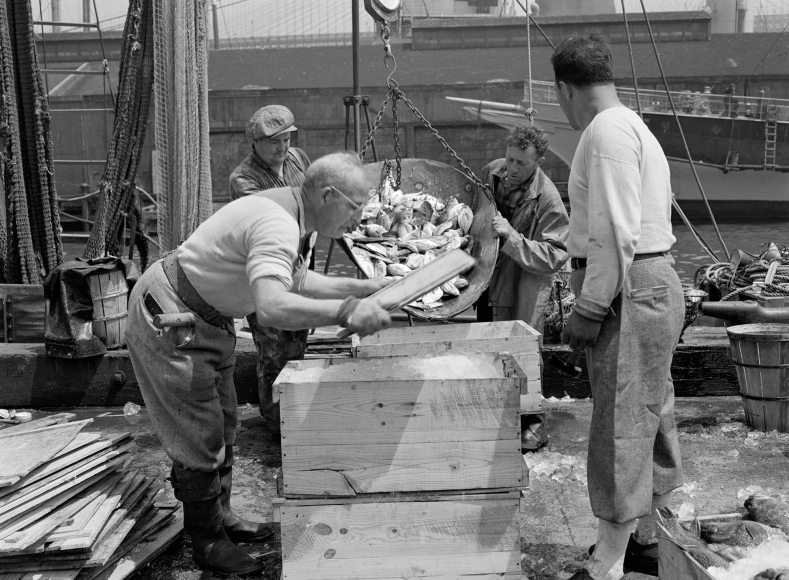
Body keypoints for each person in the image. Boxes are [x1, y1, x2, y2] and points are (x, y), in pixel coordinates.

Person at [125, 152, 392, 576]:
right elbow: (270, 306)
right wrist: (345, 312)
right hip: (171, 316)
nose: (359, 220)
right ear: (327, 195)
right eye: (356, 206)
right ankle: (207, 541)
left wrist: (363, 286)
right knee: (199, 434)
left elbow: (295, 279)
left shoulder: (297, 213)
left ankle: (223, 517)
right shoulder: (278, 223)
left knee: (225, 419)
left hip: (207, 318)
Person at [551, 33, 685, 580]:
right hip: (654, 279)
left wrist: (588, 305)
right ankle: (652, 538)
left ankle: (608, 560)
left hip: (629, 286)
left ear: (565, 89)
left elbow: (613, 233)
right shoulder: (632, 124)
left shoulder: (603, 131)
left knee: (621, 419)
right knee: (651, 411)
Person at [229, 104, 314, 437]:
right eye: (275, 142)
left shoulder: (298, 159)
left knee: (298, 343)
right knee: (273, 350)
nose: (283, 148)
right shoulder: (244, 179)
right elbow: (274, 218)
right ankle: (275, 424)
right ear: (256, 142)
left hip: (300, 267)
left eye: (287, 139)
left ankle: (295, 411)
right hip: (266, 274)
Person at [476, 123, 569, 334]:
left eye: (521, 163)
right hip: (485, 285)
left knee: (520, 354)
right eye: (510, 159)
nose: (513, 168)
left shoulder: (549, 200)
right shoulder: (491, 173)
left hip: (519, 290)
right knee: (482, 353)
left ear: (539, 162)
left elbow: (555, 256)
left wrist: (511, 236)